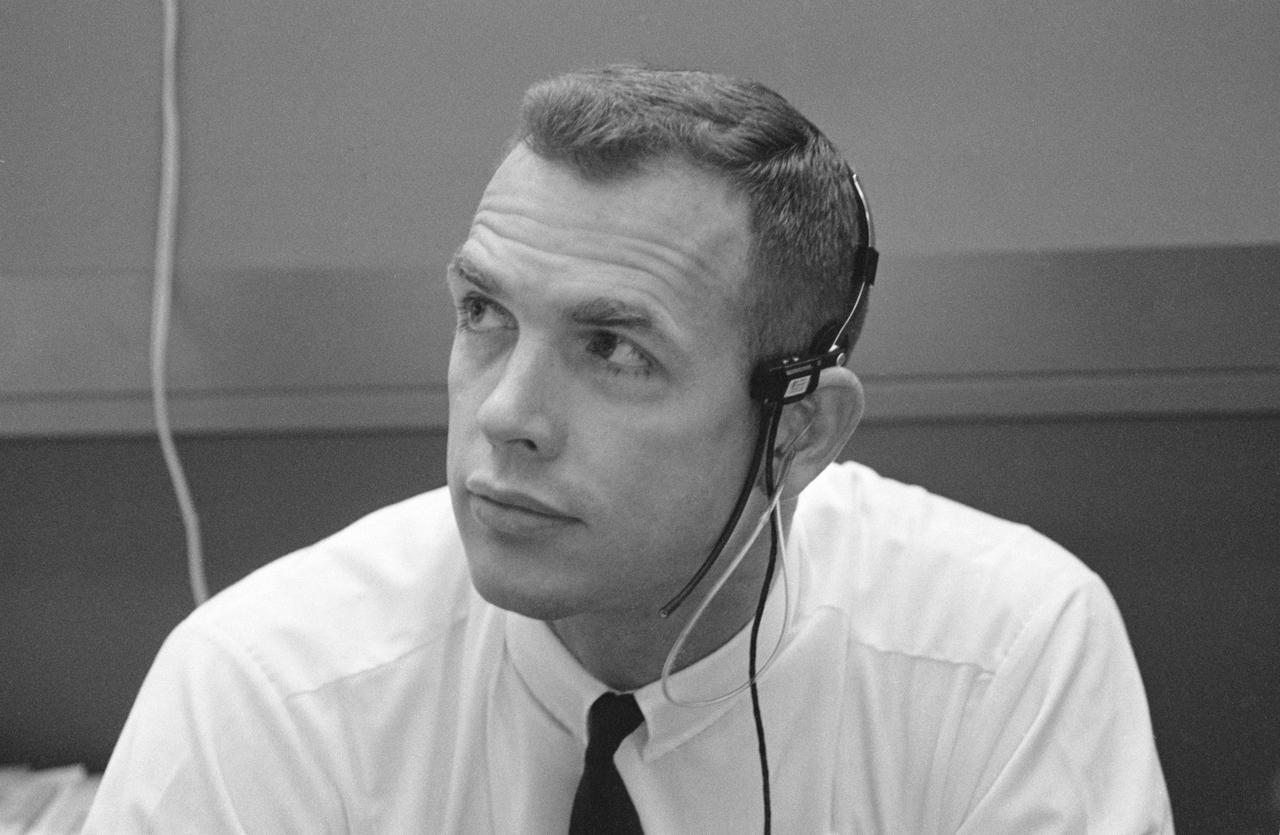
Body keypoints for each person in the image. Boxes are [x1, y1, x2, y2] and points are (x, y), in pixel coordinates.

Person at [83, 65, 1172, 833]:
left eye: (612, 348)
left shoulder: (1000, 656)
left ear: (796, 431)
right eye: (481, 314)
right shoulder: (269, 685)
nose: (506, 413)